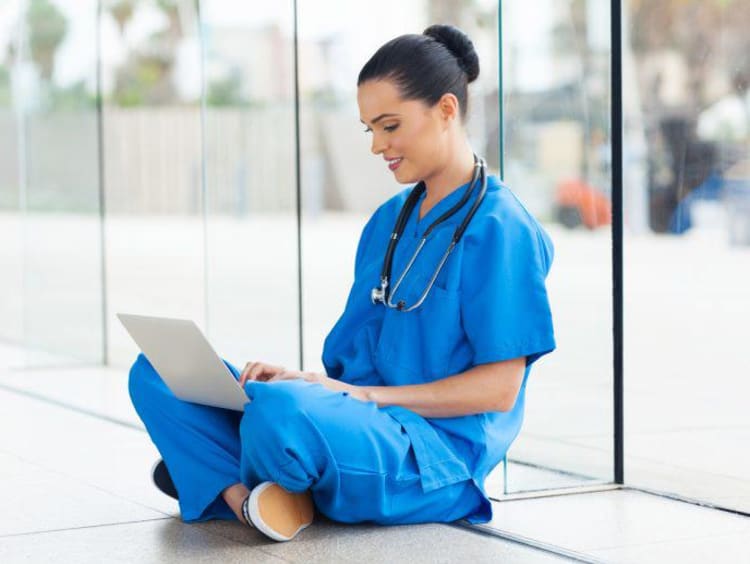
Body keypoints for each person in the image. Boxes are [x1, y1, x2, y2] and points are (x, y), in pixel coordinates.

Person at [129, 24, 555, 543]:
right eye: (369, 129)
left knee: (279, 414)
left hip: (433, 458)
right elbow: (351, 369)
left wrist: (357, 397)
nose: (378, 146)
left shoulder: (501, 228)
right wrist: (301, 378)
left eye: (390, 125)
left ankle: (228, 474)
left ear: (446, 109)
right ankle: (249, 500)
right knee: (156, 371)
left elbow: (499, 387)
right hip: (358, 419)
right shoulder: (389, 222)